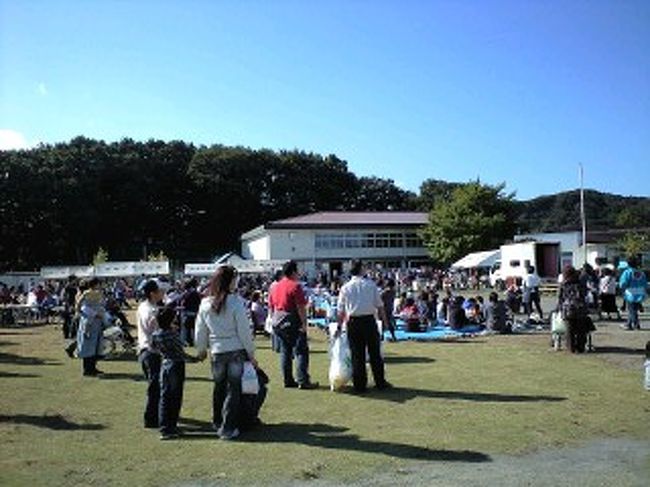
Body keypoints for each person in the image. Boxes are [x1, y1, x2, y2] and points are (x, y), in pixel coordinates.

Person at [195, 265, 257, 440]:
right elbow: (244, 331)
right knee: (233, 390)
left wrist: (201, 349)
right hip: (235, 351)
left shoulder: (205, 303)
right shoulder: (236, 302)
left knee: (219, 387)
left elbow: (200, 330)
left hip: (217, 351)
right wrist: (251, 353)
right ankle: (228, 428)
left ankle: (217, 421)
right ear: (230, 281)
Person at [337, 260, 391, 393]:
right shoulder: (370, 285)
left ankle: (359, 385)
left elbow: (341, 310)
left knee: (357, 354)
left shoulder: (345, 287)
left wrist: (339, 325)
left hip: (353, 322)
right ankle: (380, 382)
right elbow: (380, 306)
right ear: (361, 269)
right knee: (375, 353)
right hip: (368, 321)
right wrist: (385, 322)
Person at [268, 261, 318, 389]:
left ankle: (288, 380)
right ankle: (303, 379)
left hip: (278, 322)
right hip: (292, 321)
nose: (299, 274)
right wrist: (304, 324)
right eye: (297, 271)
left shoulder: (275, 287)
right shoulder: (295, 286)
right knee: (301, 351)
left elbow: (271, 306)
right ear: (293, 272)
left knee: (285, 351)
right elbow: (301, 307)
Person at [151, 306, 194, 440]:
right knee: (175, 397)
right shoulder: (172, 334)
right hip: (176, 365)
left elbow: (153, 348)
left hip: (165, 364)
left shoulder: (156, 334)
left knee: (165, 396)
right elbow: (181, 352)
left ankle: (164, 427)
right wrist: (195, 359)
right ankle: (171, 426)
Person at [137, 279, 164, 428]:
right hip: (152, 351)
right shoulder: (151, 310)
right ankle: (151, 419)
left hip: (144, 350)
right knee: (155, 388)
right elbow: (153, 326)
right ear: (153, 293)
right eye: (159, 291)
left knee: (154, 386)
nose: (162, 293)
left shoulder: (143, 306)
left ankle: (156, 414)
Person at [75, 278, 109, 376]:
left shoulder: (91, 293)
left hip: (93, 321)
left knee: (94, 345)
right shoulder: (88, 293)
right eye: (98, 284)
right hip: (91, 322)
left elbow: (78, 306)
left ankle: (92, 368)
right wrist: (95, 314)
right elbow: (80, 306)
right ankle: (88, 369)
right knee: (89, 344)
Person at [558, 266, 589, 353]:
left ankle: (571, 347)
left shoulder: (563, 285)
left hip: (568, 309)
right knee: (581, 329)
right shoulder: (580, 284)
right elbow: (584, 294)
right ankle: (580, 347)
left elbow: (560, 298)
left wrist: (560, 309)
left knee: (570, 330)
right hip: (580, 308)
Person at [619, 256, 647, 330]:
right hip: (640, 292)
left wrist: (622, 289)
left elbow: (623, 283)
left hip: (630, 293)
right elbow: (645, 283)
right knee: (633, 309)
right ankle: (628, 324)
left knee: (632, 309)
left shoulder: (627, 272)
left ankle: (636, 324)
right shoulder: (641, 272)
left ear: (628, 263)